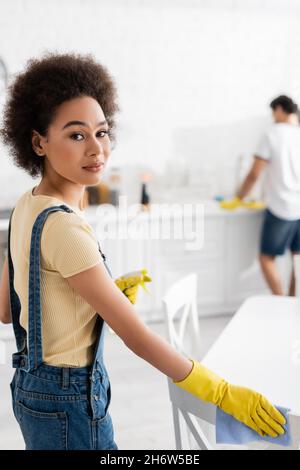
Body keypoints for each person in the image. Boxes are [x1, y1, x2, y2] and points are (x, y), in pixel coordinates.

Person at [0, 53, 285, 450]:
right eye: (76, 135)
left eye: (102, 132)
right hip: (71, 401)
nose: (96, 149)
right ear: (38, 142)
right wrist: (220, 392)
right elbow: (135, 337)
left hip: (32, 392)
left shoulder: (26, 204)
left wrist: (99, 292)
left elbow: (8, 309)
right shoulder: (64, 225)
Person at [222, 95, 300, 296]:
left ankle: (281, 300)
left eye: (274, 112)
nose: (273, 117)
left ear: (281, 109)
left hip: (282, 207)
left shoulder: (272, 134)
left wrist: (238, 198)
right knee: (297, 259)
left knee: (266, 258)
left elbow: (254, 174)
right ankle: (294, 303)